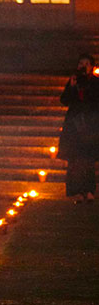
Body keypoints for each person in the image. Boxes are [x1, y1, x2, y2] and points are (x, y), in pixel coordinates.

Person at [57, 53, 99, 204]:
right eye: (81, 63)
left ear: (92, 67)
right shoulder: (74, 81)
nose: (83, 66)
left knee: (88, 159)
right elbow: (64, 100)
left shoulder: (95, 82)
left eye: (86, 63)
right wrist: (72, 87)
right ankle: (76, 192)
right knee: (74, 160)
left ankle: (88, 191)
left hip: (90, 124)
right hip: (74, 125)